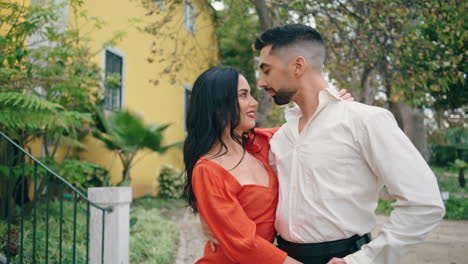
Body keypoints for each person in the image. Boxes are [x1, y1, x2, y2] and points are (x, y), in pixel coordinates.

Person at [252, 24, 446, 264]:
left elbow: (425, 203)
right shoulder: (281, 137)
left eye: (266, 70)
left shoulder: (365, 121)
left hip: (344, 257)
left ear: (298, 66)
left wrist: (361, 260)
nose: (260, 82)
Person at [183, 66, 352, 264]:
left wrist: (334, 105)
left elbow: (306, 128)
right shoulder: (208, 171)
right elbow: (245, 246)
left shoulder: (261, 143)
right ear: (218, 103)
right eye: (243, 95)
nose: (253, 102)